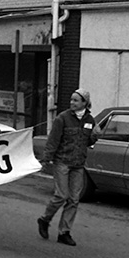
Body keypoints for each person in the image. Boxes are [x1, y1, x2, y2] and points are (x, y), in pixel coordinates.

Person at [37, 89, 101, 246]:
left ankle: (64, 232)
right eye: (71, 100)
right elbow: (53, 140)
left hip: (78, 165)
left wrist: (95, 136)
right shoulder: (62, 119)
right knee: (61, 195)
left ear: (85, 103)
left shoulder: (90, 120)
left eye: (76, 100)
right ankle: (45, 219)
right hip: (62, 162)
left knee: (74, 199)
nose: (72, 103)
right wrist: (46, 159)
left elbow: (88, 142)